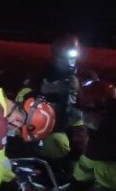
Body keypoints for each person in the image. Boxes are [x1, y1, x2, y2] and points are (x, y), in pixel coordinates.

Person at [18, 34, 87, 167]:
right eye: (63, 58)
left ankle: (77, 169)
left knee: (82, 147)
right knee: (55, 143)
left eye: (72, 58)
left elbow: (98, 97)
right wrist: (44, 90)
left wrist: (79, 90)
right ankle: (50, 167)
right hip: (48, 120)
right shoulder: (41, 73)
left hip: (74, 120)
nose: (68, 62)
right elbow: (22, 95)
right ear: (55, 56)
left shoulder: (83, 75)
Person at [70, 78, 116, 191]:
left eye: (85, 112)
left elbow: (86, 166)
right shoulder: (109, 121)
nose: (84, 118)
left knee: (102, 168)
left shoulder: (103, 134)